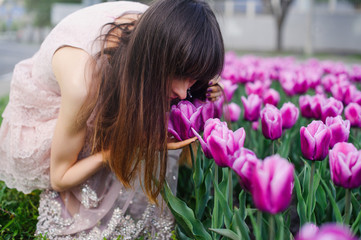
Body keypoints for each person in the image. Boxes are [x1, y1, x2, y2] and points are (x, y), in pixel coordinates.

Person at [0, 0, 224, 239]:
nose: (182, 92)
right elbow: (60, 177)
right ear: (152, 59)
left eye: (192, 79)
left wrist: (203, 90)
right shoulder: (82, 85)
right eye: (178, 75)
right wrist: (113, 152)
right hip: (55, 103)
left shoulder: (162, 29)